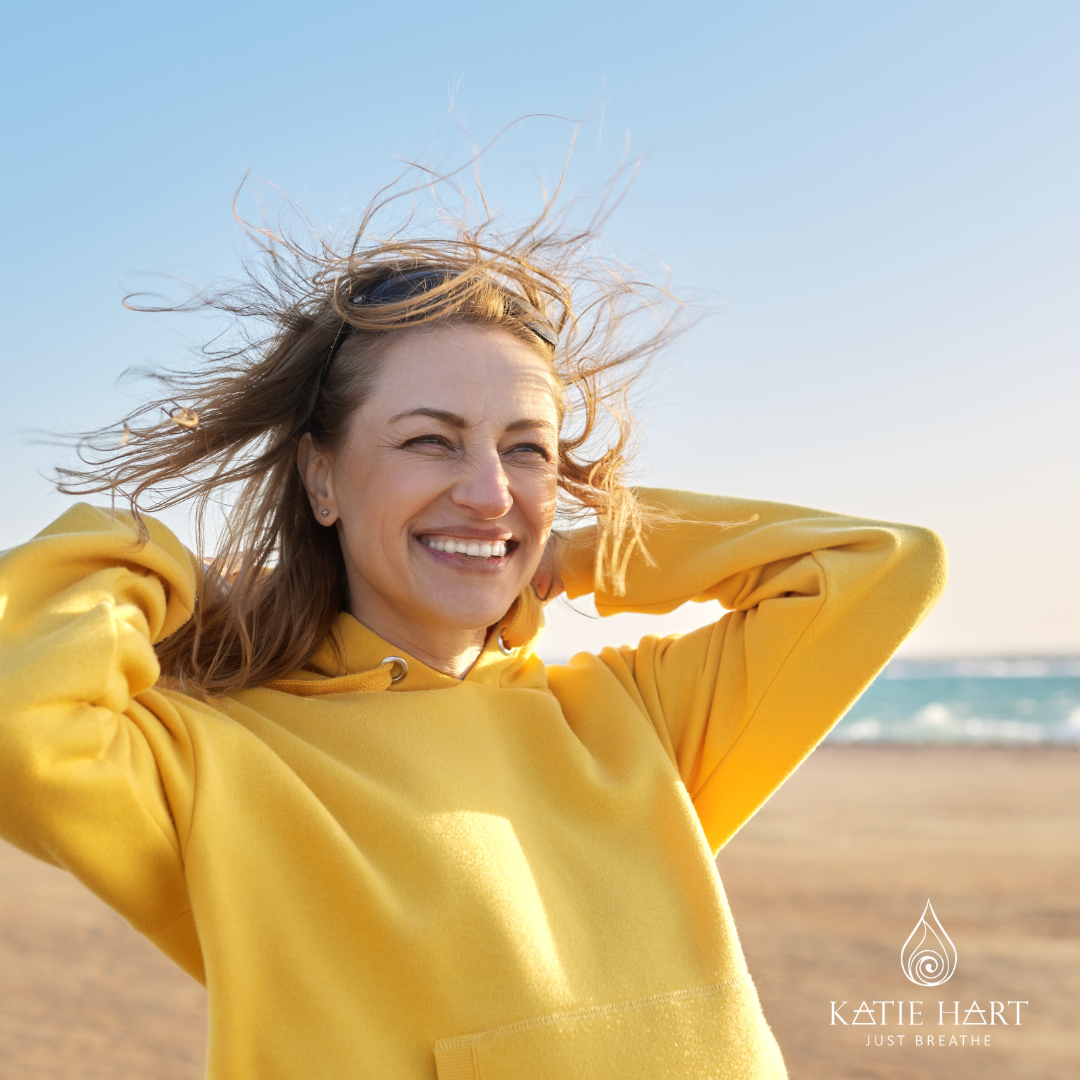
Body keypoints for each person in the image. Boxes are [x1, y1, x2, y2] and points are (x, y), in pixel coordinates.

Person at [0, 188, 946, 1079]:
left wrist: (574, 555)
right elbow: (18, 719)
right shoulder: (213, 761)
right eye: (430, 440)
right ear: (321, 478)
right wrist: (188, 581)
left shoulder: (632, 719)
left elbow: (877, 568)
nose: (490, 492)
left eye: (525, 448)